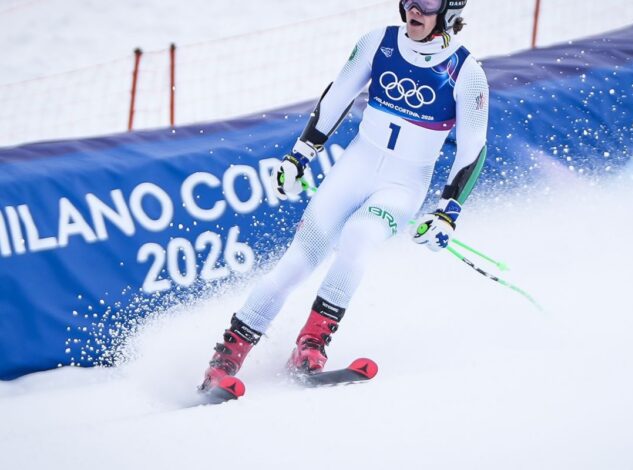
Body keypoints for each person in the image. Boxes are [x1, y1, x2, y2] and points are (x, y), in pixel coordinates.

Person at [198, 0, 489, 396]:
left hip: (402, 187)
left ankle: (311, 345)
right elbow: (337, 97)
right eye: (409, 0)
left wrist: (447, 213)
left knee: (358, 239)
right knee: (298, 262)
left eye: (428, 2)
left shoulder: (466, 72)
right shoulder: (378, 42)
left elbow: (473, 148)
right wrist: (300, 155)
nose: (414, 9)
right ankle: (224, 362)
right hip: (355, 169)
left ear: (450, 9)